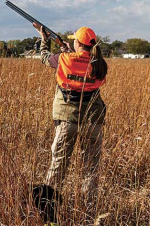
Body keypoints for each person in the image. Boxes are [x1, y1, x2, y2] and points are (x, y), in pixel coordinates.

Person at [33, 24, 108, 206]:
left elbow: (45, 58)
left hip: (68, 119)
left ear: (79, 44)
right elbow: (80, 65)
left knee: (59, 163)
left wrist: (44, 41)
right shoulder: (99, 64)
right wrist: (64, 48)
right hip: (93, 120)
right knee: (91, 167)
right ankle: (89, 205)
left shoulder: (65, 59)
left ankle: (48, 204)